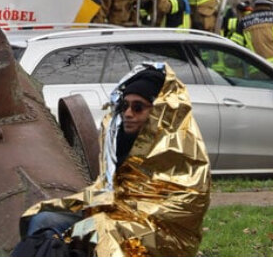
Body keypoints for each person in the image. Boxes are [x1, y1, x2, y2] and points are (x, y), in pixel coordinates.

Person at [15, 63, 211, 257]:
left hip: (155, 234)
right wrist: (84, 207)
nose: (128, 113)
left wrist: (105, 219)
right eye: (125, 106)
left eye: (138, 107)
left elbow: (180, 208)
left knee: (69, 238)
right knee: (43, 220)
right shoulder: (121, 142)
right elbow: (108, 189)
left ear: (159, 112)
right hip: (110, 217)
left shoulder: (181, 151)